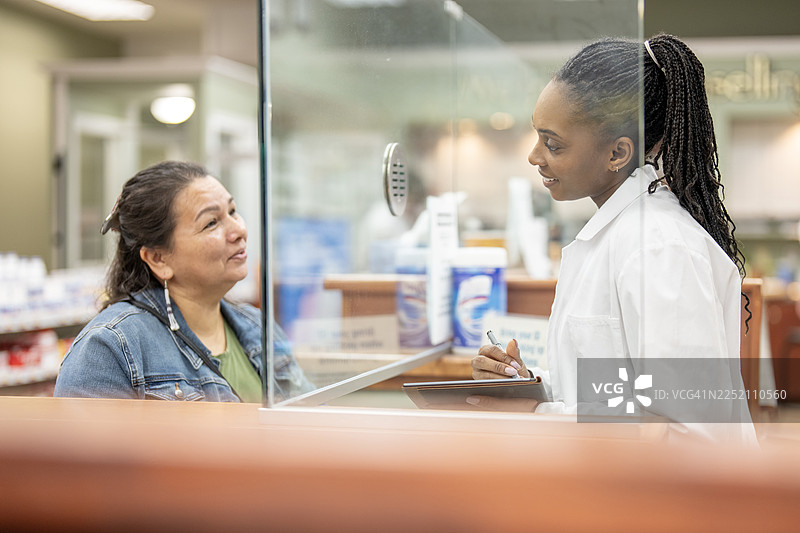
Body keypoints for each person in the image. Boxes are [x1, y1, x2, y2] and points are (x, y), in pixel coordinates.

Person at [469, 35, 755, 442]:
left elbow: (689, 432)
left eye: (553, 144)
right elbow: (614, 393)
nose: (534, 156)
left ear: (617, 154)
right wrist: (528, 386)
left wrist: (538, 413)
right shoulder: (616, 234)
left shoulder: (659, 246)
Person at [54, 161, 314, 402]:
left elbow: (311, 415)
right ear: (158, 259)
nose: (239, 230)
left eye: (233, 211)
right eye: (211, 223)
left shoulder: (257, 326)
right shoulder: (109, 348)